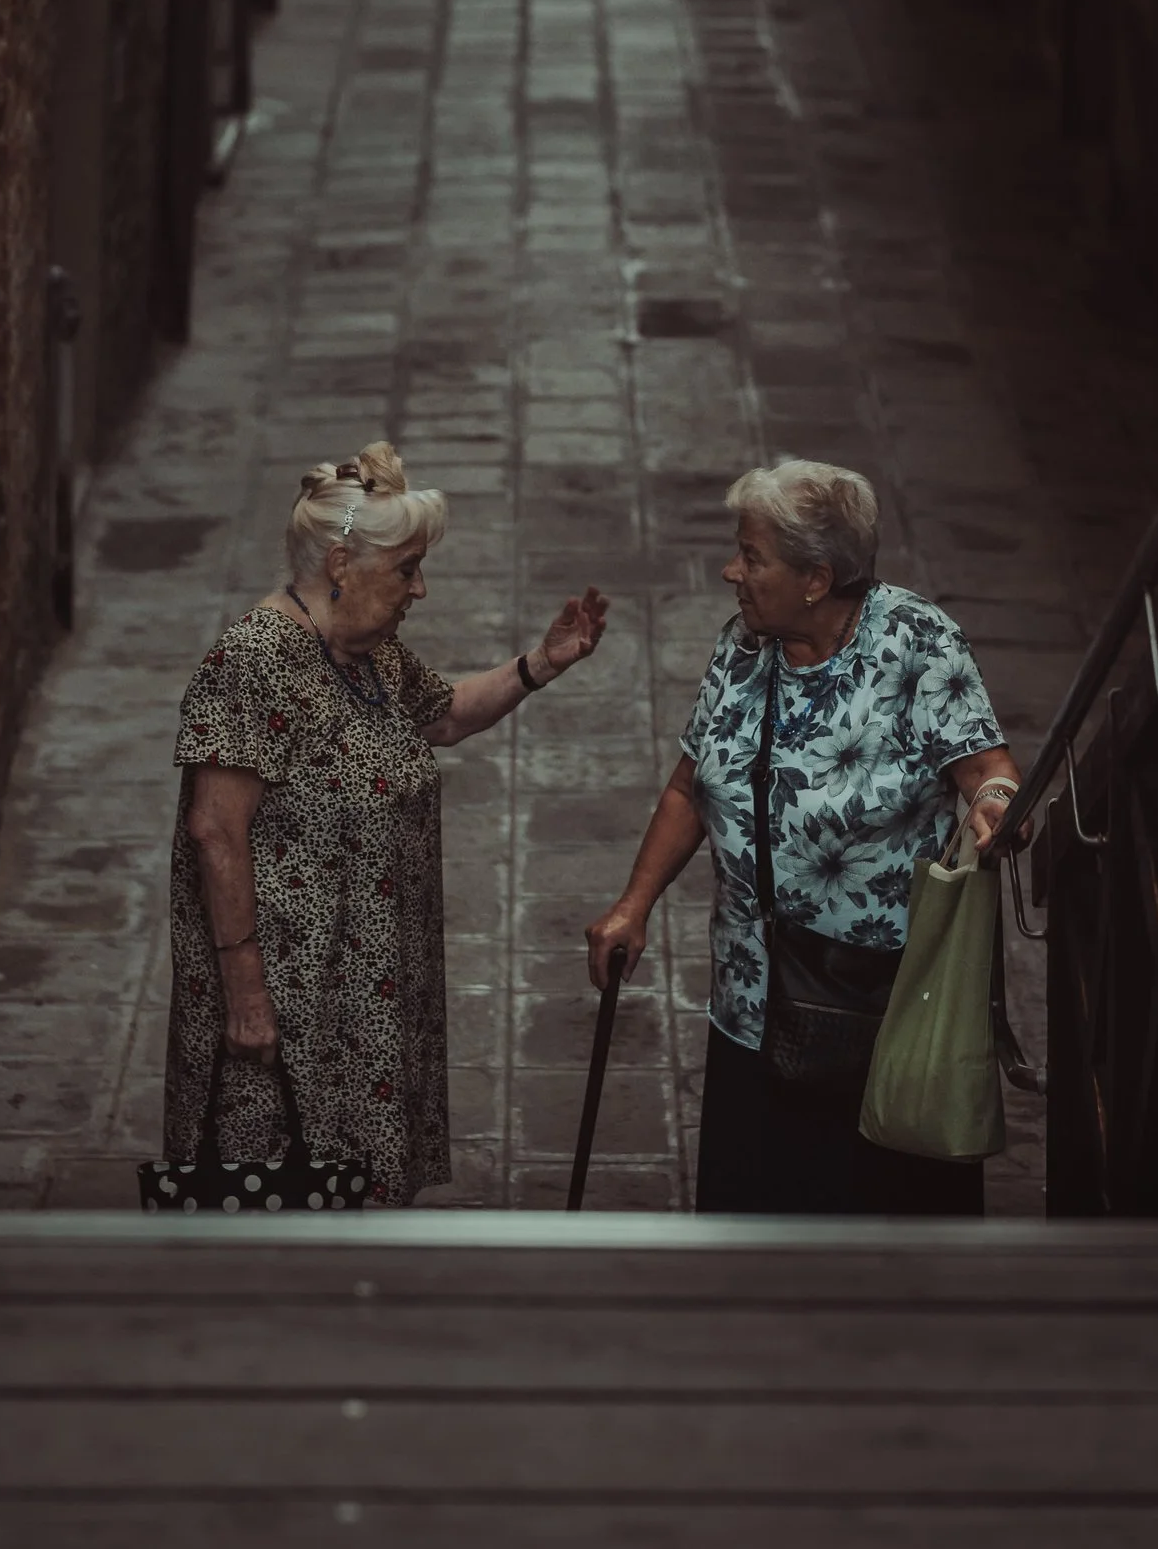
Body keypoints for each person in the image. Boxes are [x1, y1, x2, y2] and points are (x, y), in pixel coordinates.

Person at [167, 440, 610, 1205]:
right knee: (279, 1198)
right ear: (342, 564)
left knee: (352, 1199)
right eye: (407, 568)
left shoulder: (361, 652)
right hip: (292, 1009)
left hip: (361, 1003)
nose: (421, 588)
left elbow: (443, 717)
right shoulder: (254, 659)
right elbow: (215, 829)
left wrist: (542, 661)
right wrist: (246, 1000)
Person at [585, 459, 1019, 1215]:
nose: (731, 571)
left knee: (875, 1228)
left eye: (752, 556)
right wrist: (634, 903)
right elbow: (692, 782)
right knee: (756, 1214)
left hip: (877, 1007)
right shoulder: (743, 647)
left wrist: (996, 800)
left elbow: (988, 769)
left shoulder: (916, 641)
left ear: (816, 577)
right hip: (755, 993)